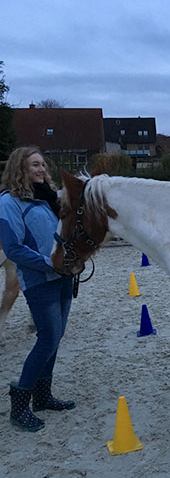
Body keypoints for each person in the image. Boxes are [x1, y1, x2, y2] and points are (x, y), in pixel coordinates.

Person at [0, 146, 75, 432]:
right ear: (20, 169)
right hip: (40, 280)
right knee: (47, 338)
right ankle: (20, 404)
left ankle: (43, 396)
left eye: (43, 164)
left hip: (63, 276)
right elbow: (13, 248)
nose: (42, 169)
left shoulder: (47, 198)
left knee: (55, 337)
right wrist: (49, 262)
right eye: (34, 165)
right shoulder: (8, 203)